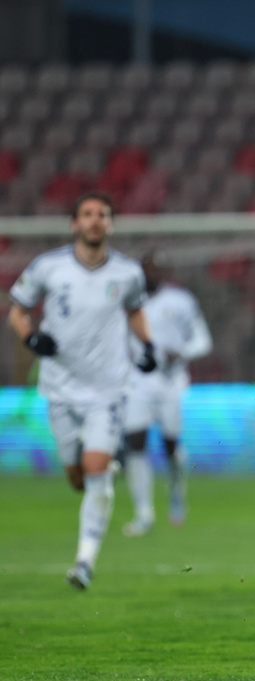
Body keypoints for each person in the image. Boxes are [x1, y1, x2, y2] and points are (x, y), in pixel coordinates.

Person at [7, 191, 157, 590]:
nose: (94, 220)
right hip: (59, 387)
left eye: (102, 215)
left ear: (110, 224)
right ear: (75, 224)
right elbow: (17, 311)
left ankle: (84, 562)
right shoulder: (48, 267)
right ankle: (100, 469)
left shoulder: (127, 272)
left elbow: (136, 311)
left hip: (108, 389)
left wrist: (148, 345)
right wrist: (31, 338)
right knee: (76, 475)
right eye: (87, 214)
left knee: (95, 471)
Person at [121, 252, 212, 536]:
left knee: (171, 444)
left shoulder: (181, 300)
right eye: (147, 269)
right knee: (136, 441)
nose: (152, 274)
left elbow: (202, 339)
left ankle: (176, 493)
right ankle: (143, 513)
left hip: (171, 381)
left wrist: (182, 352)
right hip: (137, 379)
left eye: (156, 269)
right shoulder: (126, 301)